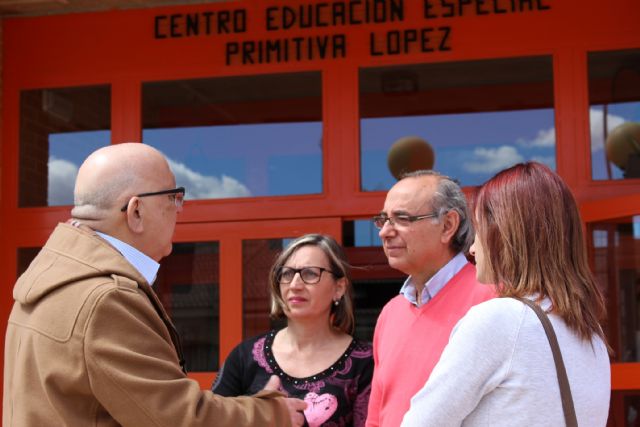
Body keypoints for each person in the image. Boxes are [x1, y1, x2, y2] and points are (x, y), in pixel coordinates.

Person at [3, 143, 306, 427]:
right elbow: (178, 418)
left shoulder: (51, 279)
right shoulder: (105, 299)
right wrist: (272, 414)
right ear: (136, 211)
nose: (180, 209)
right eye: (174, 197)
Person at [401, 162, 611, 426]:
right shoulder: (590, 334)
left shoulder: (501, 320)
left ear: (505, 233)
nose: (472, 248)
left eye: (478, 231)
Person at [366, 170, 495, 427]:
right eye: (383, 220)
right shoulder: (391, 313)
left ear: (448, 225)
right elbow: (376, 419)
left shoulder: (493, 298)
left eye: (402, 218)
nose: (385, 232)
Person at [213, 233, 374, 427]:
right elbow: (209, 419)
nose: (295, 285)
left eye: (310, 273)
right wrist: (259, 415)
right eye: (287, 274)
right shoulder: (246, 356)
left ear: (338, 288)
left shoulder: (365, 363)